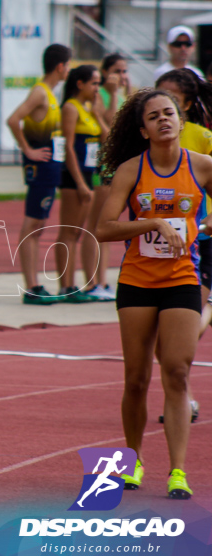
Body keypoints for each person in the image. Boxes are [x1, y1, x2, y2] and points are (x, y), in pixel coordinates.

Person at [95, 88, 212, 500]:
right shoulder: (131, 170)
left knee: (178, 372)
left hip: (182, 278)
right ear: (143, 130)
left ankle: (178, 471)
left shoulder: (202, 166)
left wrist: (204, 225)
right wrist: (151, 224)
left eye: (170, 113)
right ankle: (133, 460)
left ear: (181, 122)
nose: (163, 120)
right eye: (154, 116)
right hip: (138, 281)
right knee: (137, 378)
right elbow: (103, 228)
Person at [155, 68, 212, 424]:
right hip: (158, 246)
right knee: (164, 339)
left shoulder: (202, 137)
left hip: (199, 239)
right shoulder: (144, 138)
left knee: (183, 334)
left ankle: (183, 398)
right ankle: (181, 396)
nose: (162, 109)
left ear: (187, 104)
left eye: (171, 101)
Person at [6, 44, 72, 304]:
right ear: (59, 66)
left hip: (50, 166)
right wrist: (28, 150)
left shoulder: (50, 94)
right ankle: (32, 286)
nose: (69, 70)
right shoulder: (40, 93)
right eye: (68, 65)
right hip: (41, 167)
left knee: (39, 225)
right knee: (32, 225)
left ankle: (35, 284)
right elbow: (13, 119)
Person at [54, 65, 106, 303]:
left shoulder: (87, 109)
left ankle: (73, 285)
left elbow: (106, 138)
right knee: (69, 231)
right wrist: (79, 183)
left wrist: (97, 114)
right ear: (80, 84)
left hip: (87, 176)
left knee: (78, 231)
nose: (97, 88)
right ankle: (66, 286)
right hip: (73, 178)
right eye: (94, 83)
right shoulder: (70, 108)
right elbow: (68, 148)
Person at [82, 54, 131, 301]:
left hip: (115, 166)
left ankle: (101, 281)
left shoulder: (120, 93)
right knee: (95, 225)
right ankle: (91, 282)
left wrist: (125, 91)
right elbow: (111, 128)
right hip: (101, 166)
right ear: (105, 73)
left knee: (107, 225)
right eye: (116, 71)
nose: (121, 76)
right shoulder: (100, 94)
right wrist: (112, 93)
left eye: (124, 71)